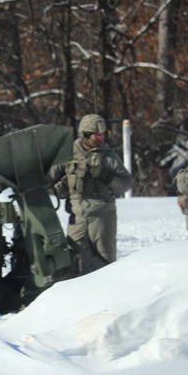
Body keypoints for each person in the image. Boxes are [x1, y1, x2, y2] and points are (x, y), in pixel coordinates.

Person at [48, 114, 132, 275]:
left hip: (102, 216)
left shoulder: (108, 157)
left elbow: (126, 183)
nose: (101, 137)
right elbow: (49, 176)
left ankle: (105, 292)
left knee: (105, 259)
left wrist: (107, 177)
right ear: (85, 134)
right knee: (75, 259)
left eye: (102, 134)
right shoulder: (68, 154)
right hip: (77, 218)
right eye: (96, 134)